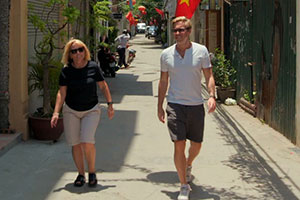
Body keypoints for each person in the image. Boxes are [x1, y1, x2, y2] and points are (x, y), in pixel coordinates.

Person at [157, 16, 216, 200]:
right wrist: (159, 106)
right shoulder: (166, 54)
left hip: (196, 105)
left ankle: (188, 164)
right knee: (178, 145)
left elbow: (209, 76)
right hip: (175, 105)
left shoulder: (201, 51)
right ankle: (183, 185)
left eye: (181, 30)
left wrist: (212, 96)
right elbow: (163, 81)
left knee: (196, 146)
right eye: (175, 30)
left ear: (189, 31)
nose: (178, 33)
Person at [51, 38, 114, 188]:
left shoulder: (93, 67)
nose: (78, 53)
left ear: (85, 51)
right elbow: (61, 93)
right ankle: (81, 174)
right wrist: (55, 112)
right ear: (69, 54)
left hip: (91, 110)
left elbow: (103, 86)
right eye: (74, 51)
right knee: (75, 143)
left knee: (87, 141)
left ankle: (92, 172)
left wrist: (110, 104)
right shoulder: (66, 71)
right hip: (71, 110)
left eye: (81, 49)